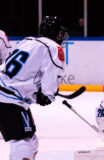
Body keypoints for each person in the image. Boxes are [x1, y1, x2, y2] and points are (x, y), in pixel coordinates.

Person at [0, 16, 68, 160]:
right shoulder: (53, 47)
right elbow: (52, 73)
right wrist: (47, 94)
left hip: (10, 95)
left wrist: (40, 93)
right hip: (8, 97)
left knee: (31, 140)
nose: (62, 36)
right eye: (61, 33)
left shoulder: (28, 41)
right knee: (21, 142)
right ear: (54, 32)